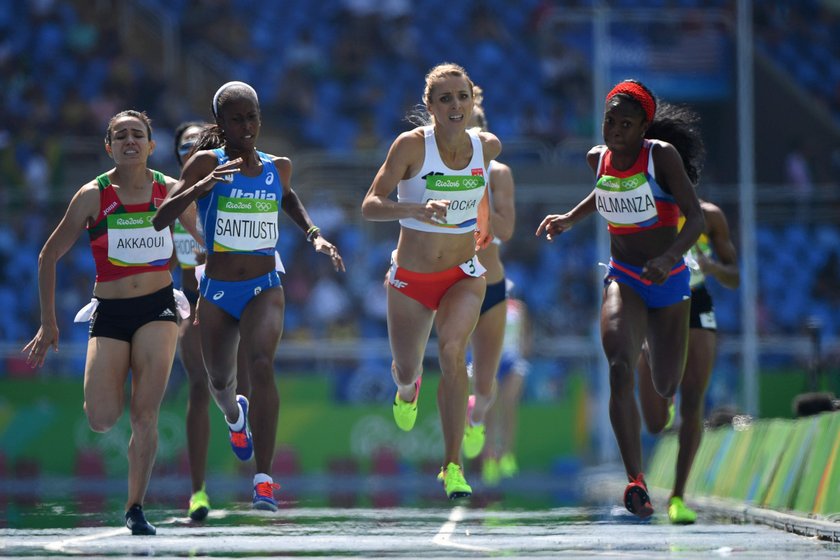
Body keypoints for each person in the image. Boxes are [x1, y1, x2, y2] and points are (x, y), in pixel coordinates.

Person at [152, 81, 345, 511]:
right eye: (235, 119)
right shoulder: (206, 162)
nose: (246, 126)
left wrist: (314, 235)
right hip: (217, 292)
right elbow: (160, 218)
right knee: (220, 384)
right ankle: (235, 418)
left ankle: (264, 478)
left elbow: (288, 197)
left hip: (264, 288)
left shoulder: (279, 166)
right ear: (221, 124)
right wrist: (200, 188)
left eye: (251, 117)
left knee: (261, 364)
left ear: (261, 118)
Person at [537, 79, 706, 518]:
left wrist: (669, 257)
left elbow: (696, 219)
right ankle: (636, 480)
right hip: (625, 277)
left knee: (666, 386)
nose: (614, 129)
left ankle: (650, 347)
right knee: (617, 366)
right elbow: (606, 190)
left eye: (626, 124)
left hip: (668, 282)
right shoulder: (600, 157)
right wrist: (569, 219)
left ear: (644, 128)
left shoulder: (661, 158)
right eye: (610, 120)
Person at [23, 110, 195, 535]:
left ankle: (135, 507)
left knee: (145, 416)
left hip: (158, 308)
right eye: (121, 136)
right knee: (101, 417)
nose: (130, 140)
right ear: (109, 146)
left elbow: (204, 245)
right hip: (110, 312)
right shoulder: (92, 196)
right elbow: (48, 256)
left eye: (138, 134)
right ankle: (110, 391)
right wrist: (48, 323)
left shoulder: (170, 190)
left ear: (152, 146)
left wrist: (212, 289)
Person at [361, 62, 501, 500]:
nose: (455, 105)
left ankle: (452, 465)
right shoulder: (410, 147)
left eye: (462, 96)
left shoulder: (489, 146)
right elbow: (369, 205)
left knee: (454, 352)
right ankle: (407, 390)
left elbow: (477, 190)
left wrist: (481, 219)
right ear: (430, 107)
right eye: (445, 99)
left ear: (472, 101)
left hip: (463, 275)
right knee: (407, 368)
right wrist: (415, 210)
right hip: (411, 280)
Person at [636, 198, 740, 524]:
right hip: (654, 303)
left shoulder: (709, 216)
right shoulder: (643, 207)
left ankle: (678, 496)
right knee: (654, 424)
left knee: (694, 399)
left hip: (697, 303)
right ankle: (662, 387)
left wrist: (710, 267)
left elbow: (734, 276)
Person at [171, 121, 252, 521]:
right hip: (194, 302)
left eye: (200, 143)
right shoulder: (168, 195)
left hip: (237, 295)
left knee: (249, 373)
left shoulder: (233, 182)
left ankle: (257, 473)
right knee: (200, 386)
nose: (193, 148)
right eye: (186, 144)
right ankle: (198, 491)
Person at [461, 94, 516, 461]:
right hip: (453, 281)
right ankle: (452, 457)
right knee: (452, 360)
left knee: (484, 385)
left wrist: (475, 186)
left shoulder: (498, 174)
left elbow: (507, 230)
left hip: (491, 285)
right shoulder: (439, 171)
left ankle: (476, 416)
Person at [479, 293, 531, 486]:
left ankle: (507, 453)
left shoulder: (519, 306)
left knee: (509, 404)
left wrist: (523, 353)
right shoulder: (484, 304)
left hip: (512, 358)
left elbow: (525, 334)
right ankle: (490, 456)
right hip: (491, 358)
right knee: (490, 409)